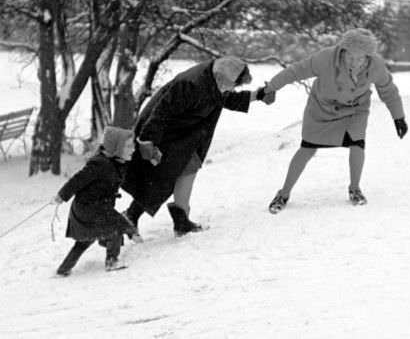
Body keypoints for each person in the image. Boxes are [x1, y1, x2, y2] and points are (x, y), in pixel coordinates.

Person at [121, 56, 274, 237]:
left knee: (184, 172)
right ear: (221, 78)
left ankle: (179, 220)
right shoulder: (190, 84)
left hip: (186, 137)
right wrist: (148, 142)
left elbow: (227, 99)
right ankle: (133, 217)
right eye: (233, 85)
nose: (232, 88)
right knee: (162, 179)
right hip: (165, 134)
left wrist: (258, 95)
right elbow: (161, 112)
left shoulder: (217, 80)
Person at [260, 27, 407, 212]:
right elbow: (296, 71)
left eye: (360, 58)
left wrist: (398, 118)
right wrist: (271, 87)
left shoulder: (375, 66)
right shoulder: (326, 59)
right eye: (350, 57)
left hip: (355, 110)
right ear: (343, 51)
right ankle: (283, 193)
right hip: (322, 109)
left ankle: (355, 189)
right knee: (307, 149)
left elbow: (389, 91)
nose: (355, 62)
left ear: (368, 57)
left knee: (357, 144)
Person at [53, 126, 138, 276]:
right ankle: (112, 260)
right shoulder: (100, 163)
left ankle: (64, 268)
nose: (133, 149)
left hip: (95, 207)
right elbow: (78, 180)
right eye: (129, 146)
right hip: (88, 208)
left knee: (86, 239)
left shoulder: (117, 162)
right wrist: (62, 195)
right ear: (116, 147)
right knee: (116, 226)